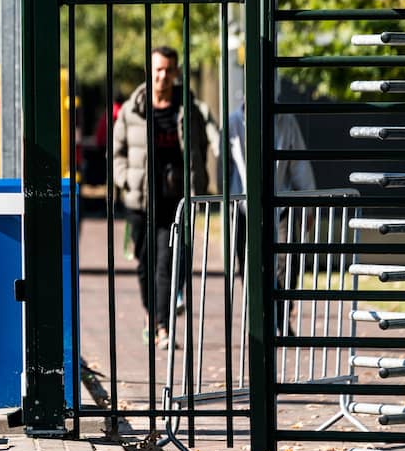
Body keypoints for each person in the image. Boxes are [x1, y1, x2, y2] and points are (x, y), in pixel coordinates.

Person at [110, 46, 209, 349]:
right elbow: (116, 153)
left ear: (176, 72)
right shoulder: (132, 109)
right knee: (144, 265)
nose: (163, 76)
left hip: (175, 200)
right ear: (149, 72)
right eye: (158, 70)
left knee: (167, 264)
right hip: (140, 201)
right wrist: (126, 179)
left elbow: (200, 148)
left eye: (168, 70)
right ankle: (152, 317)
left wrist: (197, 185)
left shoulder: (187, 108)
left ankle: (163, 326)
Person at [228, 93, 316, 334]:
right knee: (249, 264)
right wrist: (226, 203)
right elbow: (224, 167)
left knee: (286, 263)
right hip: (244, 206)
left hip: (281, 203)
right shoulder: (233, 123)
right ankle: (261, 317)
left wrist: (308, 203)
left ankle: (280, 317)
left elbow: (298, 162)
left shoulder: (286, 121)